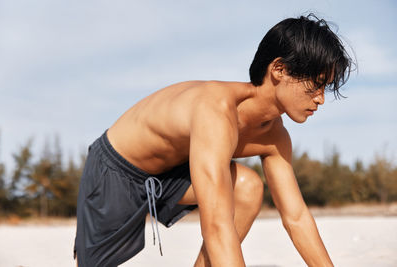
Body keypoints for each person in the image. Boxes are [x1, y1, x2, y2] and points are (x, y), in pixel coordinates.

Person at [74, 13, 353, 267]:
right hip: (116, 169)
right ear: (278, 69)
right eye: (315, 85)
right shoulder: (216, 111)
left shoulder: (275, 136)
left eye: (325, 87)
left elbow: (296, 217)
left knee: (247, 187)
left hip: (172, 176)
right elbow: (217, 224)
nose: (321, 98)